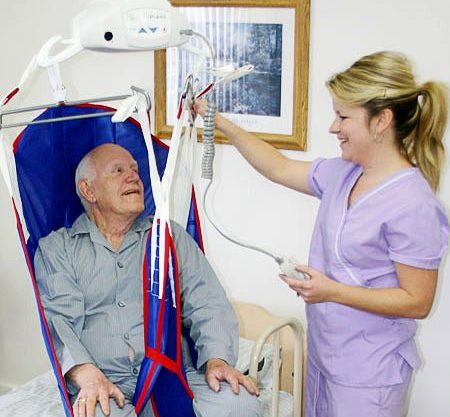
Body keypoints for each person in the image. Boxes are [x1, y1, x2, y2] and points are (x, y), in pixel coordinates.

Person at [194, 51, 449, 417]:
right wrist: (218, 123)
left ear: (382, 121)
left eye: (344, 116)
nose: (333, 127)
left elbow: (417, 301)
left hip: (369, 373)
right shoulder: (344, 174)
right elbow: (278, 167)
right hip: (325, 357)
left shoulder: (412, 202)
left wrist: (332, 291)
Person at [34, 143, 262, 417]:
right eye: (118, 171)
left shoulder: (168, 237)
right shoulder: (57, 249)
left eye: (135, 170)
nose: (133, 177)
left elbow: (207, 302)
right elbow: (59, 323)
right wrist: (87, 375)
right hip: (104, 382)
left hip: (171, 376)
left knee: (242, 404)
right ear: (88, 190)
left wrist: (217, 360)